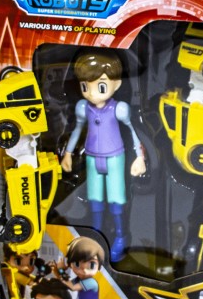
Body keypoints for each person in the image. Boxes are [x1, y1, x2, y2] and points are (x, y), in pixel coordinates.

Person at [61, 51, 146, 262]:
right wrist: (68, 154)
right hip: (92, 158)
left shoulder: (119, 109)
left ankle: (121, 235)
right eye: (85, 86)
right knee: (95, 199)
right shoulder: (83, 108)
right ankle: (96, 234)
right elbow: (77, 130)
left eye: (100, 86)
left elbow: (133, 131)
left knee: (116, 200)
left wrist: (140, 157)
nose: (91, 93)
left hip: (115, 158)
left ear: (116, 84)